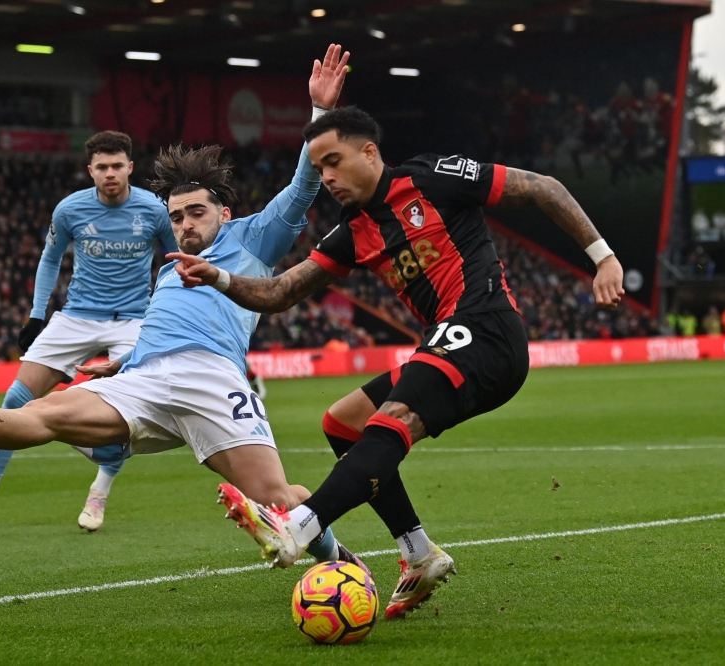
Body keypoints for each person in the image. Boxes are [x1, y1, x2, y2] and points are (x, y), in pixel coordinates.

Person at [0, 44, 366, 569]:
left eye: (197, 212)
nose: (186, 223)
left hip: (213, 379)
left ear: (224, 212)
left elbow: (304, 184)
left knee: (280, 499)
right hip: (143, 379)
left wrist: (320, 112)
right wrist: (120, 363)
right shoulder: (169, 267)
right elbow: (162, 326)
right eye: (177, 216)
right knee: (36, 415)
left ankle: (345, 565)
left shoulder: (255, 238)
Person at [169, 105, 625, 618]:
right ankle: (418, 553)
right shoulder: (352, 230)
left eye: (334, 162)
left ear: (369, 151)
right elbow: (280, 291)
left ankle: (297, 527)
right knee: (343, 423)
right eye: (319, 169)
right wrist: (219, 278)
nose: (328, 178)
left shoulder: (433, 178)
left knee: (390, 422)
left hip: (487, 328)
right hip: (449, 340)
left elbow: (542, 187)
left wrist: (603, 256)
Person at [0, 130, 177, 533]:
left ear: (130, 167)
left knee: (124, 411)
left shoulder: (154, 209)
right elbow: (49, 261)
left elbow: (174, 261)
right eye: (102, 167)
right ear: (90, 171)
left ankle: (98, 495)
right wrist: (36, 315)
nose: (110, 173)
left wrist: (165, 316)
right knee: (16, 397)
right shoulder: (70, 209)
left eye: (117, 165)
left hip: (134, 319)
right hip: (76, 316)